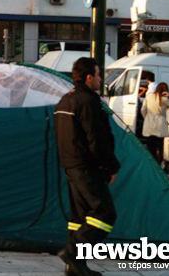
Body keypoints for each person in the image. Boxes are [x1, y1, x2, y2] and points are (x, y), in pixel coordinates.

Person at [54, 57, 120, 276]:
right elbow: (96, 138)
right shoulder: (87, 101)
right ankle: (72, 253)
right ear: (89, 77)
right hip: (86, 167)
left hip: (70, 165)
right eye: (99, 75)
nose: (101, 80)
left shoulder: (65, 100)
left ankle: (76, 268)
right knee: (105, 213)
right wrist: (111, 166)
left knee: (79, 218)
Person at [141, 82, 169, 164]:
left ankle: (151, 164)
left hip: (149, 123)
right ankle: (158, 164)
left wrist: (147, 118)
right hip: (160, 124)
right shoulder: (164, 99)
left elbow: (143, 110)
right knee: (160, 146)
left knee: (150, 147)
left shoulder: (148, 96)